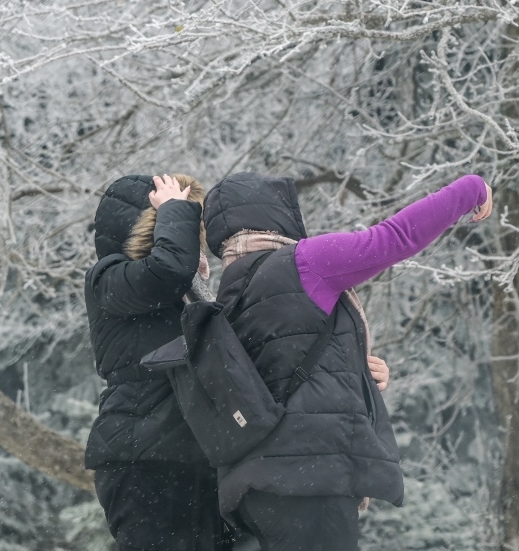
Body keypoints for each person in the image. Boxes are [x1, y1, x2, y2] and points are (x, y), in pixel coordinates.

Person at [201, 172, 493, 551]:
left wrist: (357, 368)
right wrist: (470, 188)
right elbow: (396, 237)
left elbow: (274, 372)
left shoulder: (228, 294)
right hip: (309, 478)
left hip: (256, 484)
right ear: (277, 213)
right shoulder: (304, 263)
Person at [84, 174, 225, 551]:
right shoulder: (108, 278)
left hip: (197, 458)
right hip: (144, 460)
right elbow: (166, 272)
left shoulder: (191, 292)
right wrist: (177, 213)